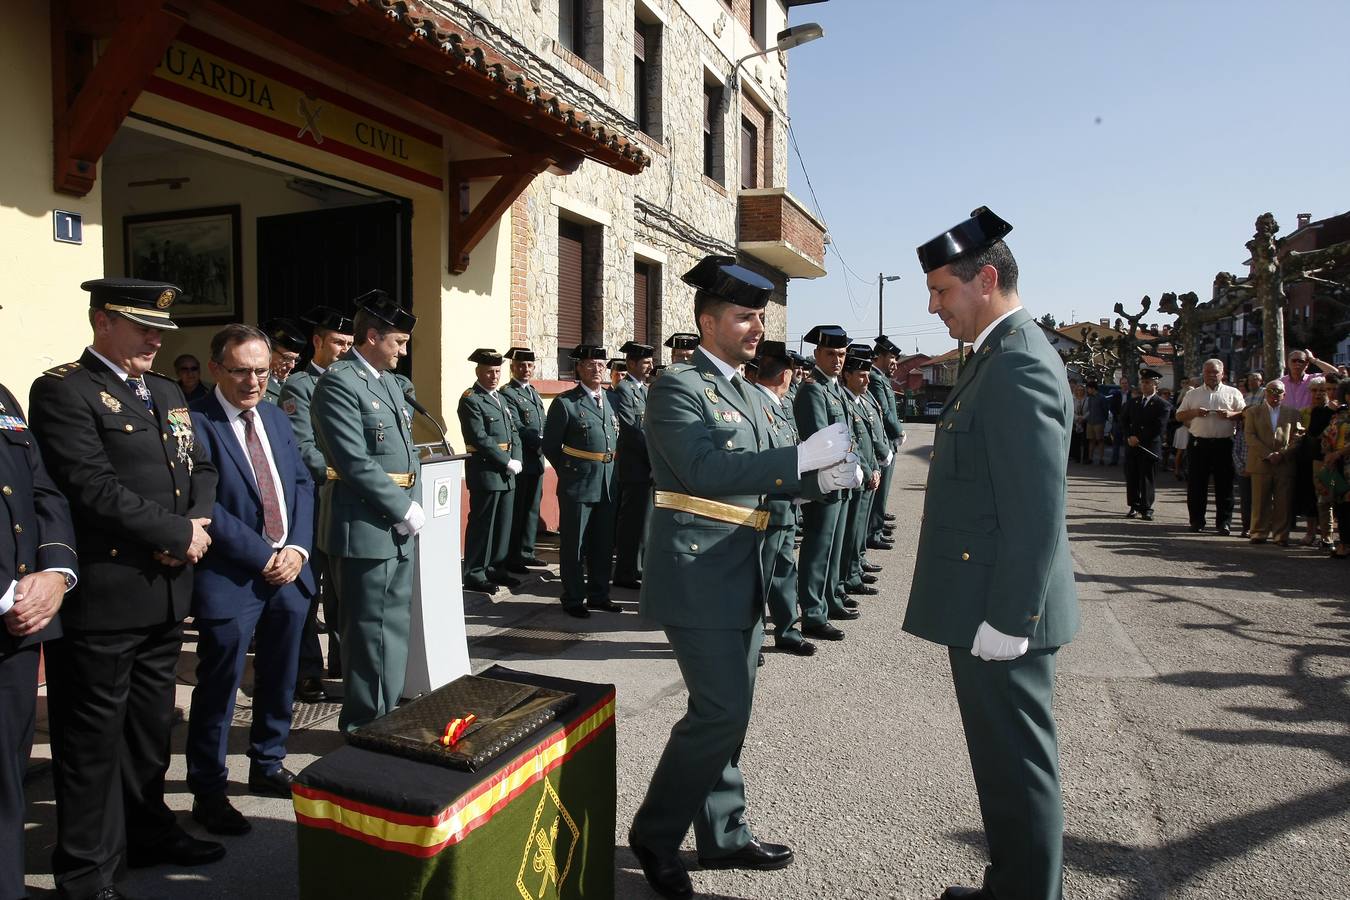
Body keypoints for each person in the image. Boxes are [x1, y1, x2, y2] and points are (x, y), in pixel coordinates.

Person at [628, 255, 858, 899]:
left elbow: (762, 474)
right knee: (720, 709)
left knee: (731, 712)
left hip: (745, 567)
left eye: (760, 316)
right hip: (698, 571)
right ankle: (655, 832)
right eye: (744, 317)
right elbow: (703, 471)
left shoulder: (747, 390)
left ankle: (724, 833)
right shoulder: (677, 386)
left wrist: (818, 481)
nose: (757, 327)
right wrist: (799, 458)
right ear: (707, 321)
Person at [29, 278, 223, 899]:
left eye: (160, 330)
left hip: (166, 591)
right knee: (91, 743)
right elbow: (87, 486)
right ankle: (86, 871)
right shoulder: (64, 390)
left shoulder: (166, 391)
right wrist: (173, 532)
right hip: (107, 596)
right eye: (142, 327)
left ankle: (146, 829)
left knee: (146, 732)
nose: (154, 340)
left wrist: (193, 526)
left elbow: (203, 466)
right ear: (100, 321)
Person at [905, 208, 1079, 900]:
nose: (933, 305)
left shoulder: (1018, 364)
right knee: (1003, 764)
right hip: (989, 602)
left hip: (1003, 610)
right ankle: (1014, 885)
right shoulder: (997, 357)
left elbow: (1036, 511)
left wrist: (1011, 619)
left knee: (1018, 766)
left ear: (985, 278)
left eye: (942, 290)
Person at [186, 324, 316, 835]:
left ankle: (267, 763)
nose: (253, 381)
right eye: (241, 370)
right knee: (219, 688)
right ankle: (209, 789)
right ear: (216, 368)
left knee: (281, 675)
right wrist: (264, 555)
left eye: (262, 370)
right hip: (232, 576)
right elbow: (204, 505)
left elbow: (302, 482)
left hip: (290, 571)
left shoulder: (274, 416)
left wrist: (299, 549)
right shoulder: (195, 423)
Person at [311, 289, 422, 732]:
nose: (403, 351)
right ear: (372, 336)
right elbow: (352, 460)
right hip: (362, 526)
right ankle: (363, 725)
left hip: (394, 525)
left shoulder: (389, 383)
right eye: (398, 342)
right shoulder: (340, 381)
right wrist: (401, 506)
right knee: (366, 635)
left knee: (393, 629)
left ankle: (386, 714)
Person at [0, 382, 77, 900]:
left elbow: (41, 489)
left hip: (19, 625)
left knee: (7, 779)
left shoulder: (2, 398)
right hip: (10, 607)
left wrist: (55, 572)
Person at [279, 305, 355, 702]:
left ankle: (342, 661)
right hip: (315, 501)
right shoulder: (300, 386)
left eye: (349, 343)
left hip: (348, 504)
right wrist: (345, 472)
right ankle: (308, 670)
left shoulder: (358, 383)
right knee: (308, 592)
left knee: (344, 592)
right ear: (318, 342)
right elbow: (302, 446)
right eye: (337, 342)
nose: (344, 349)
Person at [542, 345, 621, 618]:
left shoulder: (611, 400)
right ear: (578, 368)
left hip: (607, 483)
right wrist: (570, 472)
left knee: (602, 544)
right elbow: (551, 446)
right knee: (575, 544)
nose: (596, 369)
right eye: (589, 364)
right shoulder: (566, 403)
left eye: (600, 365)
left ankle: (599, 595)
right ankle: (574, 597)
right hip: (578, 483)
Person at [747, 341, 814, 657]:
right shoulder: (754, 405)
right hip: (766, 507)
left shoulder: (777, 404)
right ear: (787, 375)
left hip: (785, 505)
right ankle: (753, 639)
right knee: (760, 577)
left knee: (784, 570)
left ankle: (788, 631)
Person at [793, 324, 858, 640]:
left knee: (833, 546)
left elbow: (850, 434)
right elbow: (820, 440)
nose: (838, 360)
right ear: (817, 354)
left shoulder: (835, 388)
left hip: (840, 479)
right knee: (818, 547)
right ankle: (813, 613)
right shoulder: (812, 390)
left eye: (842, 354)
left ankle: (828, 599)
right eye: (831, 353)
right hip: (824, 480)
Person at [457, 348, 523, 594]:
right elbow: (479, 437)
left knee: (503, 525)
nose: (494, 376)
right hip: (486, 471)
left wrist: (517, 458)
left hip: (507, 473)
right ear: (478, 372)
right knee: (483, 524)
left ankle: (497, 568)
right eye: (489, 371)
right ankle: (475, 572)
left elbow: (514, 431)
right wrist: (506, 460)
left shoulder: (502, 398)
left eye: (497, 371)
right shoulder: (471, 399)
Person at [1175, 359, 1246, 534]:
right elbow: (1179, 415)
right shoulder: (1193, 394)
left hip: (1224, 443)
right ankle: (1197, 521)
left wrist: (1231, 415)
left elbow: (1245, 414)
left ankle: (1224, 523)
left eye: (1215, 372)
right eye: (1208, 372)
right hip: (1200, 444)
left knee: (1225, 485)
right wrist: (1195, 412)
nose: (1211, 375)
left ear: (1222, 373)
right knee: (1197, 484)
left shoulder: (1233, 392)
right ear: (1203, 373)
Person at [500, 347, 548, 571]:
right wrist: (541, 442)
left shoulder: (534, 393)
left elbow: (543, 423)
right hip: (522, 460)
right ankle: (513, 556)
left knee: (532, 509)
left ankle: (527, 551)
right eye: (520, 365)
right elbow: (516, 426)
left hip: (537, 461)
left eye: (529, 366)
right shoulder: (508, 393)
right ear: (512, 368)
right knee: (518, 510)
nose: (525, 369)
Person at [612, 341, 655, 590]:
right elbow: (631, 431)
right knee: (631, 523)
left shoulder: (645, 390)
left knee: (644, 523)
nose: (649, 366)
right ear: (631, 364)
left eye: (650, 362)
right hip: (635, 467)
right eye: (645, 362)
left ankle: (637, 568)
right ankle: (625, 572)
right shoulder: (624, 390)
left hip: (647, 467)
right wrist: (654, 458)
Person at [1244, 380, 1302, 545]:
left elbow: (1297, 438)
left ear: (1284, 395)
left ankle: (1281, 535)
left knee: (1283, 501)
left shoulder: (1293, 413)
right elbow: (1250, 436)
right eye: (1271, 391)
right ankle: (1258, 532)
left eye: (1278, 392)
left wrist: (1282, 454)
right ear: (1265, 393)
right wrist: (1268, 454)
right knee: (1260, 500)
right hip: (1261, 462)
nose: (1274, 395)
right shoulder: (1253, 412)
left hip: (1284, 463)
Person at [868, 335, 905, 546]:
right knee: (878, 492)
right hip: (882, 443)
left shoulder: (881, 378)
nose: (895, 363)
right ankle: (873, 532)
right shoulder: (874, 378)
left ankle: (877, 527)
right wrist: (899, 431)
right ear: (879, 357)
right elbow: (884, 412)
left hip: (888, 442)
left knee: (882, 492)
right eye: (891, 358)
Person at [1119, 368, 1170, 520]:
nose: (1144, 385)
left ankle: (1146, 507)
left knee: (1146, 478)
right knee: (1132, 476)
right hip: (1132, 446)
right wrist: (1129, 436)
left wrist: (1139, 438)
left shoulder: (1162, 405)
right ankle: (1134, 505)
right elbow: (1123, 420)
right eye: (1143, 382)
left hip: (1148, 447)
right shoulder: (1133, 402)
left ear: (1156, 385)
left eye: (1148, 382)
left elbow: (1159, 427)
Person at [1297, 377, 1337, 547]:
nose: (1320, 394)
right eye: (1315, 391)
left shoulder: (1339, 410)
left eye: (1324, 390)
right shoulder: (1314, 411)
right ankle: (1311, 532)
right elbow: (1313, 432)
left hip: (1332, 461)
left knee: (1329, 497)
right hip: (1312, 459)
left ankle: (1328, 536)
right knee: (1311, 497)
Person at [1319, 380, 1350, 558]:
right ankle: (1344, 543)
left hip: (1345, 463)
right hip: (1336, 467)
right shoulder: (1339, 414)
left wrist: (1338, 453)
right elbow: (1326, 434)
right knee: (1340, 505)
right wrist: (1329, 453)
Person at [258, 318, 306, 405]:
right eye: (287, 358)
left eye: (296, 359)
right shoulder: (254, 384)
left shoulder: (297, 384)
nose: (292, 366)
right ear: (267, 350)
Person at [1084, 382, 1108, 464]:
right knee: (1091, 440)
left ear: (1093, 388)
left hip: (1099, 422)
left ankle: (1101, 459)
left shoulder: (1102, 398)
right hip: (1090, 421)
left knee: (1100, 440)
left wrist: (1103, 421)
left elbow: (1105, 410)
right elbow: (1089, 410)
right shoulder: (1090, 398)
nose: (1087, 390)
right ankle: (1090, 458)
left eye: (1088, 388)